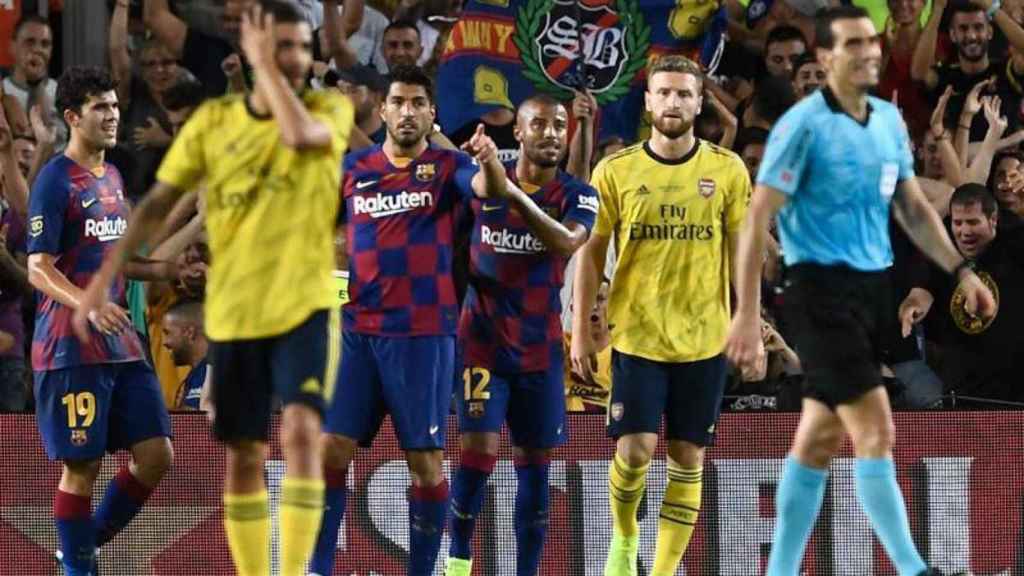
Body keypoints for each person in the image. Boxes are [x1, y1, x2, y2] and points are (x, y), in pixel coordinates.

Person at [74, 4, 354, 576]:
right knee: (246, 453)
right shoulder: (213, 124)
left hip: (305, 301)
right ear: (260, 51)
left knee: (302, 432)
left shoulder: (331, 107)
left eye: (303, 47)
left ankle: (296, 567)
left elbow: (299, 136)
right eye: (284, 47)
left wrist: (262, 68)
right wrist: (102, 280)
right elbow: (155, 204)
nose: (297, 58)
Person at [724, 7, 996, 576]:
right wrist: (747, 315)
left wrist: (963, 272)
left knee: (818, 442)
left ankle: (777, 570)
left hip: (872, 291)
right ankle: (914, 569)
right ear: (824, 59)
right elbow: (753, 223)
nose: (870, 53)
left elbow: (914, 210)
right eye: (853, 45)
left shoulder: (889, 124)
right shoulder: (802, 128)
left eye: (872, 43)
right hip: (818, 293)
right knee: (876, 428)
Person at [310, 65, 507, 576]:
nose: (407, 111)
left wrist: (486, 162)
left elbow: (486, 190)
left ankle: (425, 570)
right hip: (359, 331)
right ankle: (317, 567)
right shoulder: (354, 168)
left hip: (422, 333)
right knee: (331, 449)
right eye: (398, 102)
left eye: (418, 103)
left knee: (424, 462)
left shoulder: (448, 166)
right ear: (382, 110)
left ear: (431, 113)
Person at [571, 54, 752, 576]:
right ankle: (625, 540)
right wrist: (583, 331)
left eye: (683, 94)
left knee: (688, 458)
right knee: (634, 451)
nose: (673, 102)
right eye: (664, 93)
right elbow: (589, 254)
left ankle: (664, 570)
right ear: (648, 102)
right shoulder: (616, 171)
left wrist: (748, 322)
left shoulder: (726, 170)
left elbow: (742, 254)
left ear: (699, 103)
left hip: (704, 337)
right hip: (637, 335)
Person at [26, 66, 174, 576]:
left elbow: (113, 256)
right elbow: (38, 268)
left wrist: (168, 268)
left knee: (157, 455)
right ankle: (80, 566)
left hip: (122, 345)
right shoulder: (54, 181)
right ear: (72, 117)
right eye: (100, 108)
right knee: (82, 467)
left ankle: (78, 551)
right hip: (71, 347)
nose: (113, 116)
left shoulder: (112, 177)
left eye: (114, 106)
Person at [444, 94, 599, 576]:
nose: (551, 133)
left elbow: (568, 241)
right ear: (520, 133)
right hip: (482, 345)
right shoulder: (483, 183)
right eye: (540, 124)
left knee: (535, 468)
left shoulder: (578, 195)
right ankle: (458, 560)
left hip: (539, 351)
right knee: (478, 456)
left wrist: (516, 197)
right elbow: (454, 249)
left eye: (559, 125)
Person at [899, 183, 1024, 406]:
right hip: (962, 391)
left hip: (1012, 391)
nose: (965, 231)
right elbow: (921, 293)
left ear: (993, 220)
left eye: (973, 222)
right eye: (958, 223)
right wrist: (911, 307)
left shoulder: (1014, 244)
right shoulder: (944, 255)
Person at [161, 299, 208, 410]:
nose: (165, 342)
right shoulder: (197, 374)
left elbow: (196, 425)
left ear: (190, 333)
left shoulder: (208, 373)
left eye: (168, 333)